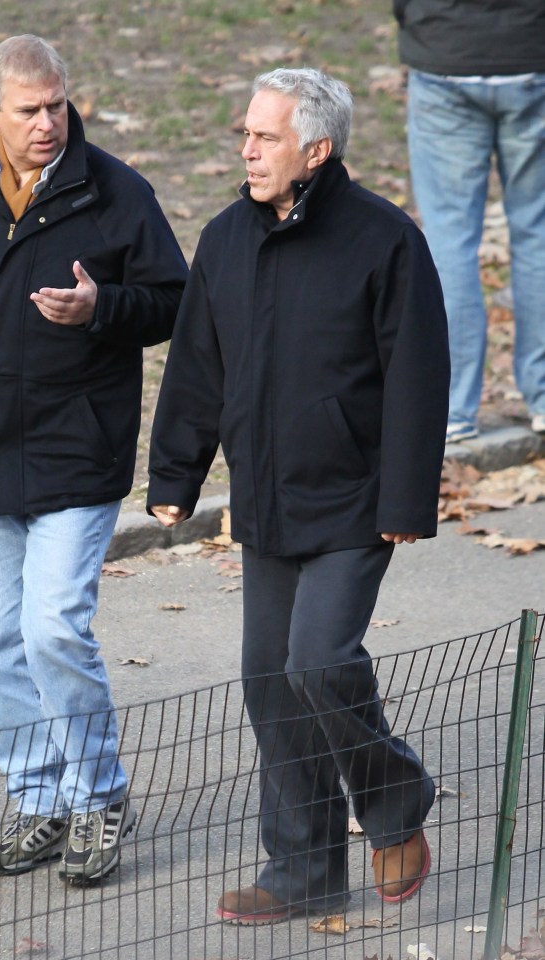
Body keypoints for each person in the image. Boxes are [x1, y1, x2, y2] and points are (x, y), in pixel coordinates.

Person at [147, 67, 450, 924]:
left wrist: (404, 501)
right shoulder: (224, 239)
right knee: (268, 682)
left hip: (356, 498)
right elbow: (197, 366)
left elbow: (417, 379)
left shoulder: (385, 240)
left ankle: (394, 804)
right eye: (244, 132)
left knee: (318, 661)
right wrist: (176, 472)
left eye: (264, 135)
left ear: (314, 149)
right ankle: (305, 868)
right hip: (267, 502)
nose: (245, 148)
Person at [0, 34, 187, 885]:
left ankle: (98, 798)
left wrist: (104, 306)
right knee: (0, 638)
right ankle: (39, 803)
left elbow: (173, 299)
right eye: (29, 109)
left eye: (58, 104)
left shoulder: (115, 192)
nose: (49, 123)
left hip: (77, 450)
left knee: (53, 627)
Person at [394, 0, 545, 443]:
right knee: (538, 231)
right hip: (533, 50)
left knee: (448, 239)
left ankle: (453, 407)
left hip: (445, 50)